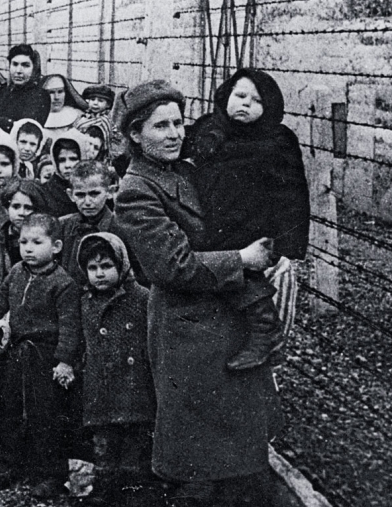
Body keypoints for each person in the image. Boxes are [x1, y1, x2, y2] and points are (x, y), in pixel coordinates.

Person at [113, 80, 280, 506]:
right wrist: (243, 258)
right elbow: (173, 266)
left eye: (178, 123)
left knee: (236, 456)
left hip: (226, 321)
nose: (174, 134)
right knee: (200, 463)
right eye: (160, 126)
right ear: (135, 134)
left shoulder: (184, 171)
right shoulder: (136, 191)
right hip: (190, 333)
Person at [184, 68, 310, 370]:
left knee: (244, 269)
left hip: (253, 222)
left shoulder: (277, 140)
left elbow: (292, 192)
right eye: (240, 95)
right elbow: (179, 150)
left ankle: (264, 331)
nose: (246, 104)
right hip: (209, 216)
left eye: (257, 101)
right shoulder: (208, 127)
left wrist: (286, 243)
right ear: (226, 96)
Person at [0, 213, 81, 499]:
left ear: (56, 246)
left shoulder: (63, 283)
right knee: (8, 409)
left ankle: (48, 474)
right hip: (15, 353)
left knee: (45, 415)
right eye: (24, 242)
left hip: (44, 357)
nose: (28, 248)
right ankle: (7, 465)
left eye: (37, 242)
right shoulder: (16, 272)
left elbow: (70, 325)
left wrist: (64, 360)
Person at [76, 232, 155, 501]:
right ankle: (104, 489)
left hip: (134, 386)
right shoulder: (85, 302)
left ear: (121, 264)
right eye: (92, 268)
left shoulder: (141, 297)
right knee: (103, 443)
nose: (99, 274)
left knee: (135, 442)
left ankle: (133, 492)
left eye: (107, 266)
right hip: (101, 387)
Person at [58, 160, 122, 286]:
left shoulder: (121, 227)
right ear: (70, 195)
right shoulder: (62, 226)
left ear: (110, 192)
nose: (87, 202)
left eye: (94, 194)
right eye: (80, 195)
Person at [0, 178, 49, 280]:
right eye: (16, 207)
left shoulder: (46, 236)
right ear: (7, 208)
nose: (21, 213)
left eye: (28, 208)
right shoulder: (0, 239)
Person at [0, 44, 50, 126]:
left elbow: (27, 127)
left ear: (33, 69)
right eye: (15, 64)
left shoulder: (40, 96)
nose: (18, 71)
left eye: (25, 65)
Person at [42, 128, 97, 218]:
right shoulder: (46, 192)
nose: (67, 165)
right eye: (62, 160)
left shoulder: (95, 187)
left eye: (73, 159)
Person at [75, 84, 116, 157]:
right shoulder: (84, 117)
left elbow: (105, 145)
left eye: (100, 101)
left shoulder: (104, 121)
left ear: (108, 105)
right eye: (92, 99)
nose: (95, 103)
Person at [42, 74, 87, 140]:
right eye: (51, 92)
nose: (56, 97)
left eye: (60, 91)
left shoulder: (77, 116)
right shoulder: (35, 116)